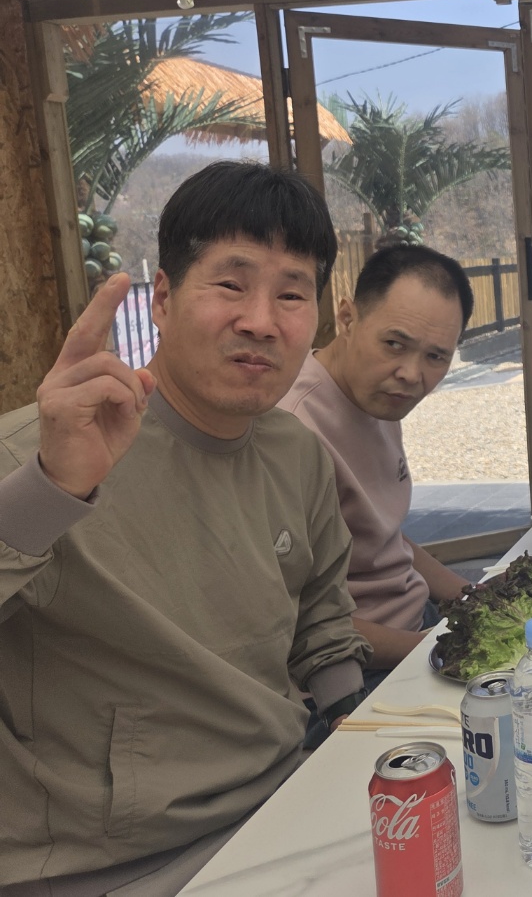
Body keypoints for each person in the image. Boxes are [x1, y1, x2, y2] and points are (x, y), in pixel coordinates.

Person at [0, 162, 371, 897]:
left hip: (286, 796)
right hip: (117, 865)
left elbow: (322, 618)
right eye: (231, 284)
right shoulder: (36, 457)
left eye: (291, 294)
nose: (261, 320)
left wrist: (356, 732)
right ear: (163, 299)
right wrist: (52, 490)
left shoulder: (294, 451)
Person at [279, 244, 473, 682]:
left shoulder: (379, 397)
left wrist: (474, 595)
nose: (411, 374)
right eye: (394, 344)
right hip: (355, 669)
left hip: (418, 625)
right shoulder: (292, 427)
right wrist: (440, 649)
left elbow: (383, 540)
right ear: (347, 318)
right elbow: (295, 622)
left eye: (435, 357)